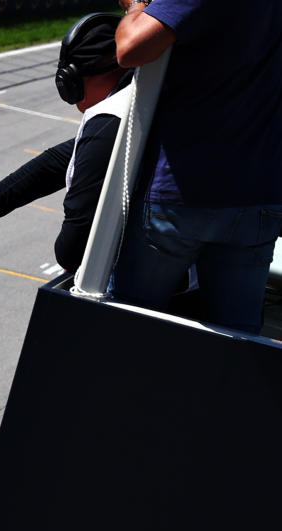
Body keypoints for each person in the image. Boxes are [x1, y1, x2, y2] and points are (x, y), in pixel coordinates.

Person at [111, 0, 282, 333]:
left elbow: (130, 48)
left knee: (128, 333)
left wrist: (134, 7)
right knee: (236, 345)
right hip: (261, 194)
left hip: (183, 194)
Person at [0, 13, 132, 275]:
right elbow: (58, 161)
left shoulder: (108, 123)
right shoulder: (139, 95)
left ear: (72, 79)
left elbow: (72, 251)